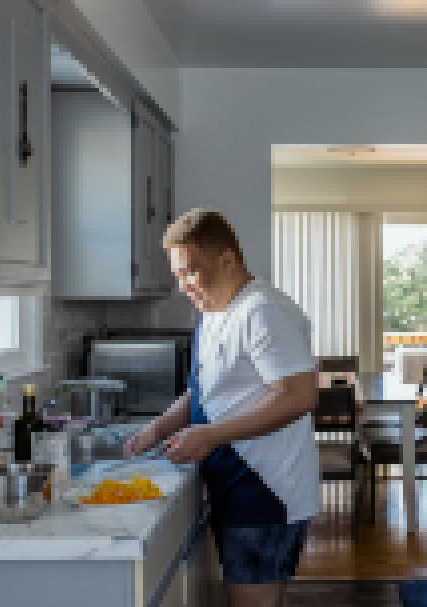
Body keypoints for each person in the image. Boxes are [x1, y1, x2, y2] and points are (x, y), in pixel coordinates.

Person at [126, 208, 319, 607]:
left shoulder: (263, 311)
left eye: (190, 272)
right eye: (177, 274)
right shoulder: (213, 311)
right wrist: (157, 429)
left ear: (227, 259)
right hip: (236, 485)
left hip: (266, 490)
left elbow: (299, 395)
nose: (183, 286)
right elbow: (203, 391)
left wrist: (209, 435)